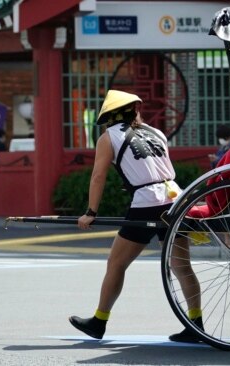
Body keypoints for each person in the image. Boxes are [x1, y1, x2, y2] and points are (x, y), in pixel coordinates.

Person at [69, 90, 203, 343]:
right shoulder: (156, 133)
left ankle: (99, 321)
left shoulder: (109, 138)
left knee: (116, 263)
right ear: (134, 110)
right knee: (181, 266)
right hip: (176, 198)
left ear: (110, 116)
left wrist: (90, 212)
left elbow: (98, 176)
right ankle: (196, 323)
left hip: (146, 202)